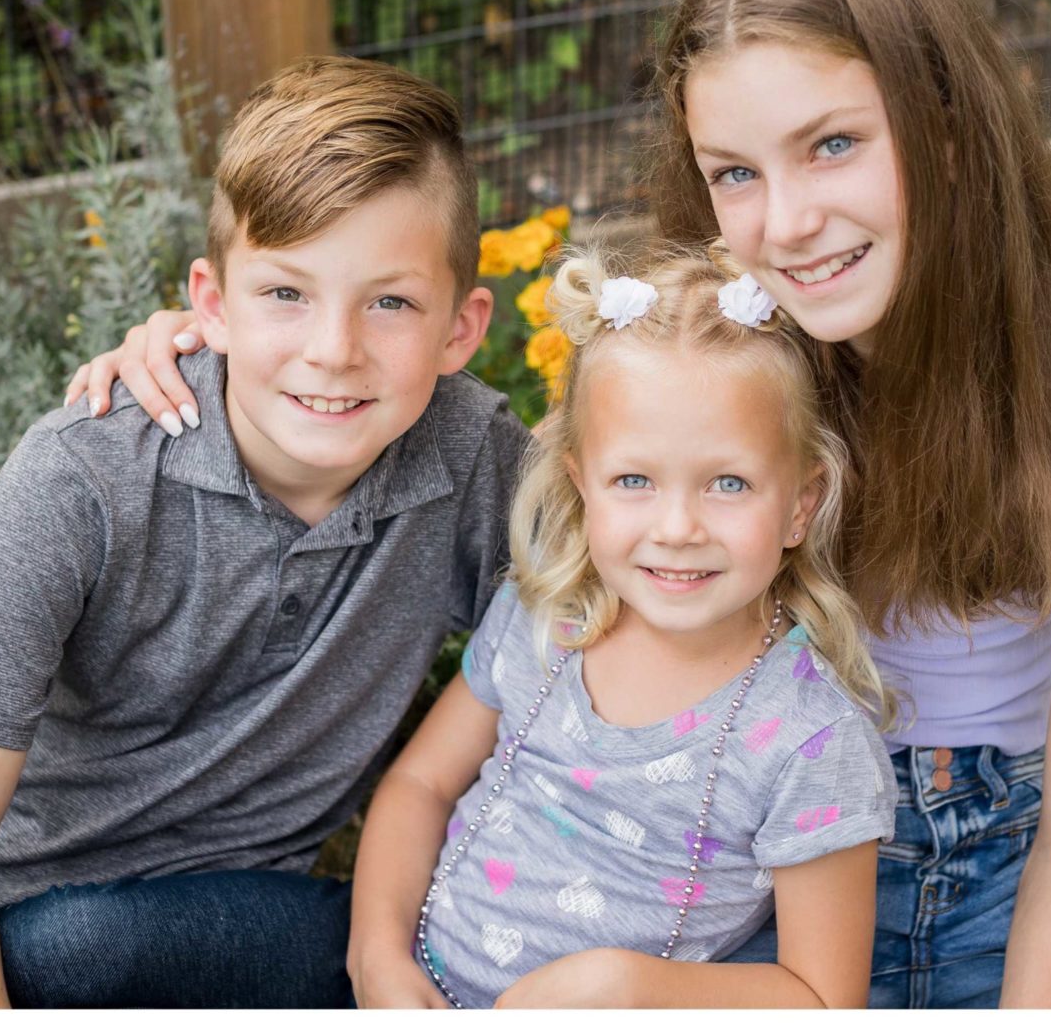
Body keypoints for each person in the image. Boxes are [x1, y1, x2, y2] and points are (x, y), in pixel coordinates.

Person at [69, 0, 1051, 1008]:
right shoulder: (718, 367)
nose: (785, 219)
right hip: (695, 910)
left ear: (951, 127)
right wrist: (196, 356)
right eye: (738, 171)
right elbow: (448, 417)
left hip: (978, 896)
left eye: (835, 145)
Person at [0, 57, 528, 1008]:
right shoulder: (80, 481)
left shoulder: (473, 461)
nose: (333, 348)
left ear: (461, 330)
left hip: (234, 920)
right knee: (77, 941)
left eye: (390, 301)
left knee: (447, 947)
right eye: (286, 294)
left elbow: (635, 570)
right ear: (212, 306)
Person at [347, 244, 895, 1009]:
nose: (676, 527)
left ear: (801, 504)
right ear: (581, 483)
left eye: (728, 482)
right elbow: (420, 782)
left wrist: (626, 987)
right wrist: (377, 953)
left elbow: (821, 997)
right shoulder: (546, 617)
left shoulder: (806, 738)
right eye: (633, 480)